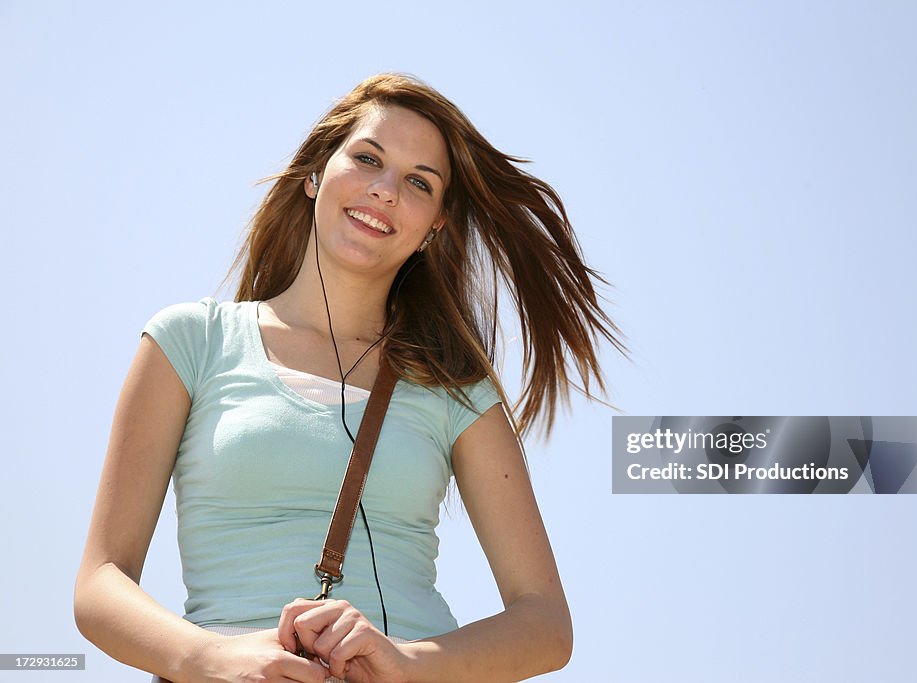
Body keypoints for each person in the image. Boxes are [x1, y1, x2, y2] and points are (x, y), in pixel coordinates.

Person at [74, 73, 622, 682]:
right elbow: (100, 584)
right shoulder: (190, 342)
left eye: (419, 182)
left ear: (434, 227)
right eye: (367, 159)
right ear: (314, 175)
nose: (386, 190)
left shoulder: (456, 388)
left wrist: (408, 662)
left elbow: (546, 624)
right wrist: (211, 657)